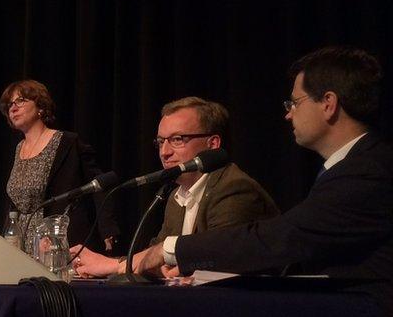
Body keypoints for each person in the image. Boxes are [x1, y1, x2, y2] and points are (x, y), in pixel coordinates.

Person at [137, 46, 392, 317]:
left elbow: (278, 240)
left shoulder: (369, 171)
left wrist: (170, 249)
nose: (288, 114)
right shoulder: (354, 165)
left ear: (328, 104)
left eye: (294, 103)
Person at [71, 97, 279, 277]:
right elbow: (154, 256)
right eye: (161, 142)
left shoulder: (234, 188)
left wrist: (111, 265)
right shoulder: (176, 196)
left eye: (177, 139)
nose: (164, 152)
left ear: (213, 143)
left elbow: (217, 258)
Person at [0, 80, 119, 253]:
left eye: (21, 101)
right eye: (10, 104)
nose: (13, 108)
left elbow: (99, 184)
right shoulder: (19, 148)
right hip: (21, 245)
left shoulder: (67, 143)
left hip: (56, 241)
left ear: (40, 106)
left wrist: (107, 228)